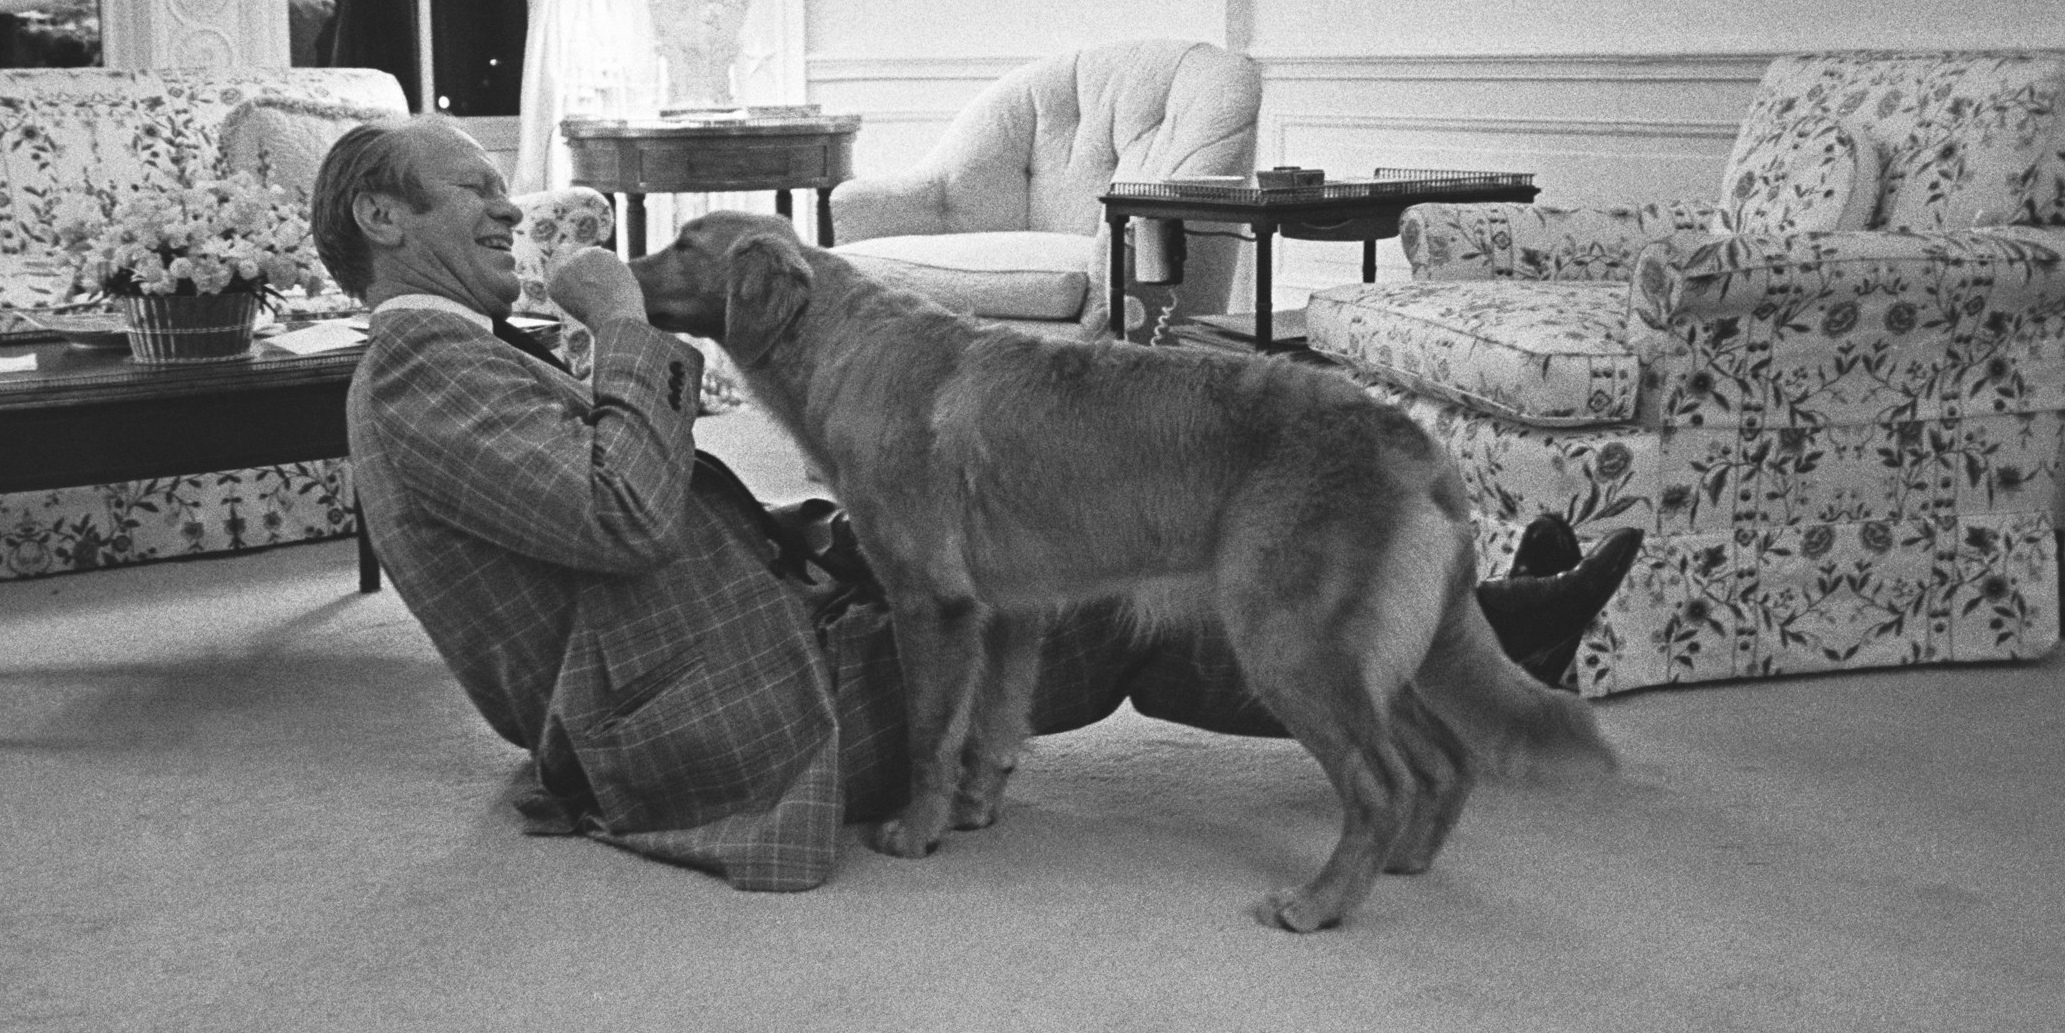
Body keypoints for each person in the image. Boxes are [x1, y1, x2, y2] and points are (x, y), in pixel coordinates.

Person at [321, 118, 1632, 894]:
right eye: (473, 183)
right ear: (382, 209)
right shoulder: (416, 364)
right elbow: (620, 518)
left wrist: (823, 539)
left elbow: (614, 531)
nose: (511, 202)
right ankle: (1492, 639)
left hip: (745, 638)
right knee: (1106, 595)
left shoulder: (455, 359)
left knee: (1113, 567)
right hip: (741, 713)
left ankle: (1465, 620)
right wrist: (620, 328)